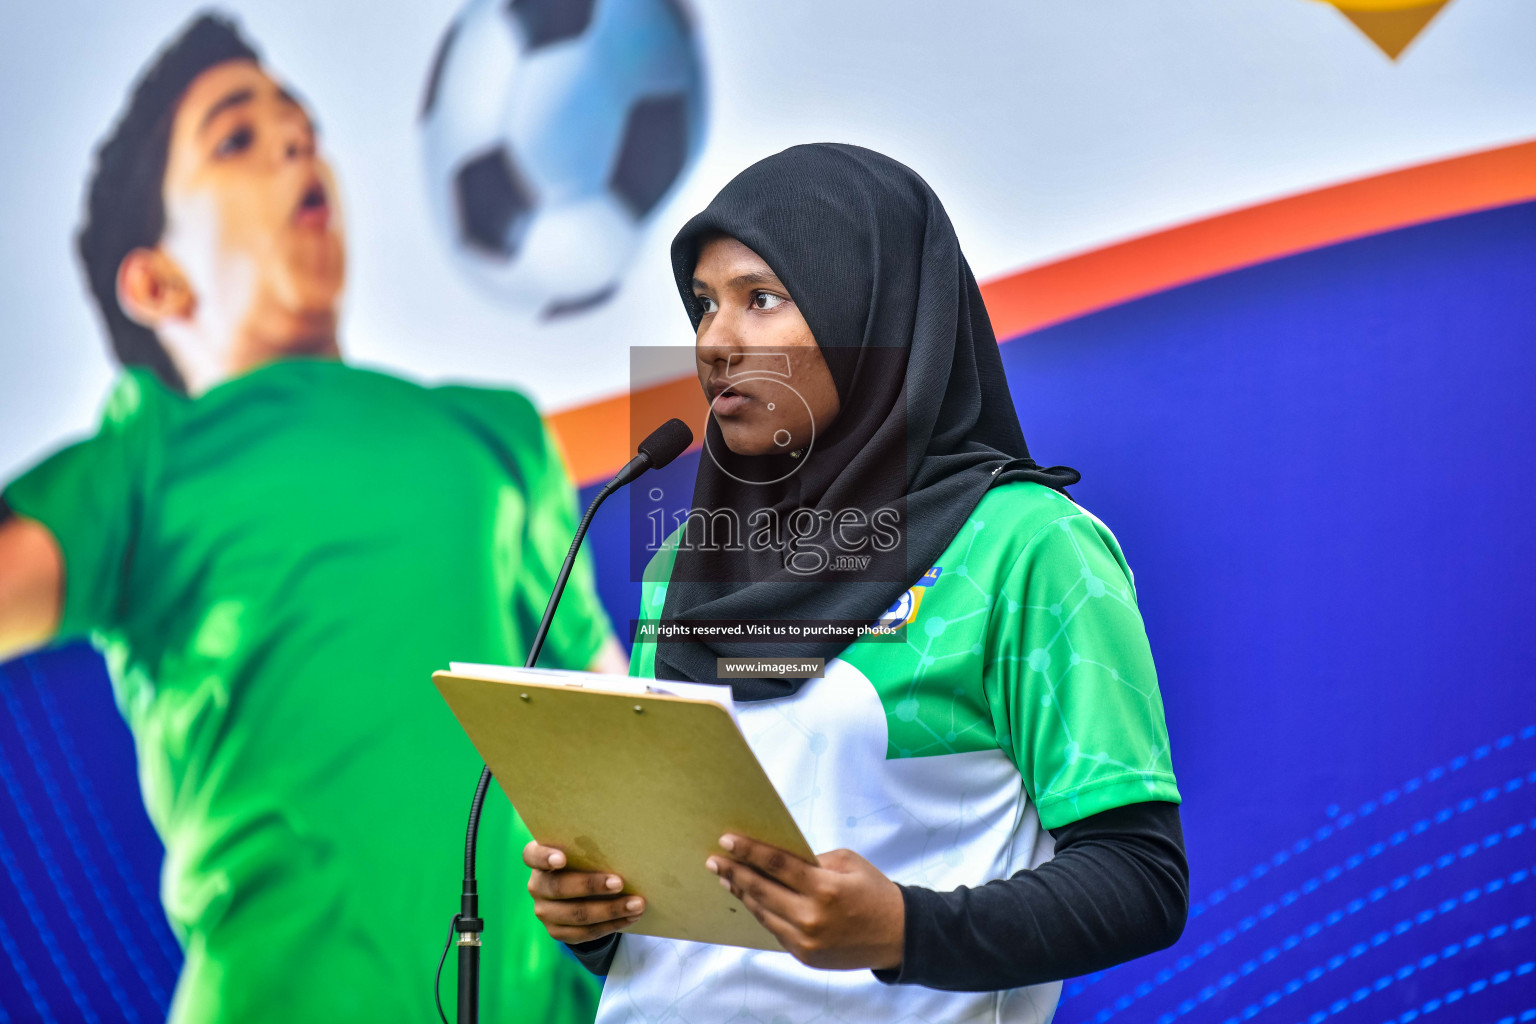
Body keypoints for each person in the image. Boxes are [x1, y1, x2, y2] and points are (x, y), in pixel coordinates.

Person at [0, 13, 625, 1023]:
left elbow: (610, 736)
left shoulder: (494, 432)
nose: (297, 141)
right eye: (237, 138)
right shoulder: (147, 462)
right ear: (155, 281)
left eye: (300, 124)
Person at [521, 144, 1189, 1023]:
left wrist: (904, 930)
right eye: (702, 307)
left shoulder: (1029, 547)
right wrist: (598, 920)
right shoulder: (684, 559)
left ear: (872, 310)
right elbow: (689, 903)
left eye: (762, 299)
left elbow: (1141, 879)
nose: (716, 343)